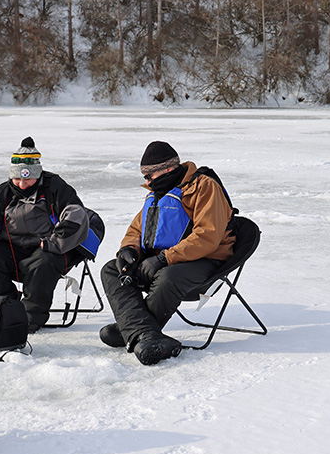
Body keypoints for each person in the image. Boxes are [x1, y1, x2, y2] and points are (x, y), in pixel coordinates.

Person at [100, 141, 235, 365]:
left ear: (167, 169)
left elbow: (207, 236)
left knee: (167, 277)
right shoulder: (158, 193)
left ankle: (132, 328)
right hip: (163, 261)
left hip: (205, 261)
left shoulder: (204, 187)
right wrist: (128, 250)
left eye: (149, 175)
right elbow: (137, 229)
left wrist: (163, 259)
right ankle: (144, 334)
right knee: (111, 270)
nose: (146, 181)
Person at [0, 137, 90, 332]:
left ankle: (31, 317)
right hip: (14, 251)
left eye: (27, 179)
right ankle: (5, 310)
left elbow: (76, 216)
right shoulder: (2, 193)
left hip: (50, 248)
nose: (22, 184)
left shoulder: (54, 186)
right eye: (17, 179)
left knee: (43, 262)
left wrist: (53, 243)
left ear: (38, 175)